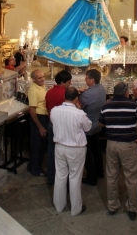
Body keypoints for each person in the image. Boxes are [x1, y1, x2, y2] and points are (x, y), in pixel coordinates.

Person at [99, 82, 137, 220]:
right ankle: (132, 207)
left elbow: (100, 123)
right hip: (127, 145)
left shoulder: (106, 106)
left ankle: (112, 205)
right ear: (126, 92)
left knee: (112, 175)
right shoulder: (133, 105)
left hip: (111, 144)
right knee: (132, 177)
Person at [50, 87, 91, 216]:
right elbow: (88, 127)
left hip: (60, 147)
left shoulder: (54, 111)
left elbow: (53, 123)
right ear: (76, 98)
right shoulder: (79, 114)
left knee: (60, 175)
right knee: (75, 178)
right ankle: (75, 209)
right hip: (76, 149)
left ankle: (59, 205)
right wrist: (79, 109)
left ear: (64, 96)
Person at [79, 69, 106, 186]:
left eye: (86, 78)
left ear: (92, 80)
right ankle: (100, 171)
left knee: (86, 152)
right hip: (97, 124)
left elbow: (79, 106)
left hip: (88, 126)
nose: (85, 80)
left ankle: (91, 176)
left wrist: (81, 94)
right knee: (96, 149)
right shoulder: (102, 89)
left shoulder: (87, 94)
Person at [45, 70, 72, 185]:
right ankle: (62, 179)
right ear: (62, 82)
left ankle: (51, 177)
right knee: (63, 154)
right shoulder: (65, 95)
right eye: (68, 82)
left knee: (51, 151)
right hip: (63, 125)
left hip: (52, 123)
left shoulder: (49, 92)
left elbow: (48, 108)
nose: (69, 84)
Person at [27, 69, 49, 177]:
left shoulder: (41, 86)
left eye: (43, 76)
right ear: (34, 79)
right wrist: (39, 126)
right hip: (38, 118)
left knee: (41, 145)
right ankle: (35, 170)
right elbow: (32, 110)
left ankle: (33, 166)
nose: (42, 79)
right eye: (39, 78)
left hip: (43, 117)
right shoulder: (33, 90)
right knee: (37, 145)